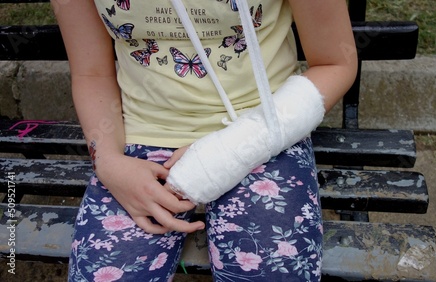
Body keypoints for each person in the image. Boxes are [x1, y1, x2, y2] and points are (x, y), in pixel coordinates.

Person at [52, 0, 357, 280]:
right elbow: (92, 74)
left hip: (265, 131)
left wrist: (238, 146)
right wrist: (107, 161)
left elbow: (335, 63)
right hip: (141, 141)